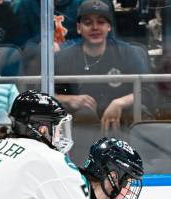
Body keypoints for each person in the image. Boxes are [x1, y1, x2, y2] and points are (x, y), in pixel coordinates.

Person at [54, 0, 149, 134]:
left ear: (109, 27)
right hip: (80, 129)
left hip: (121, 126)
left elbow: (148, 91)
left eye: (101, 22)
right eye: (88, 23)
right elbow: (44, 93)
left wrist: (120, 103)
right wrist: (69, 100)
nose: (95, 28)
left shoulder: (127, 53)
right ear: (78, 28)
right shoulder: (63, 58)